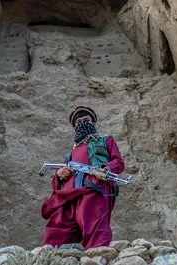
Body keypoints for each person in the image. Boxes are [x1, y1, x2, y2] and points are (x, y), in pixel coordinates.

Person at [41, 106, 125, 248]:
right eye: (78, 121)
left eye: (86, 119)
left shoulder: (106, 141)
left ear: (93, 123)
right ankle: (57, 255)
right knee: (60, 221)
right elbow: (58, 182)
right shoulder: (71, 154)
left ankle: (95, 254)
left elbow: (118, 163)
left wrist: (105, 170)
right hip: (69, 193)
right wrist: (59, 175)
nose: (82, 122)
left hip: (95, 186)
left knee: (92, 218)